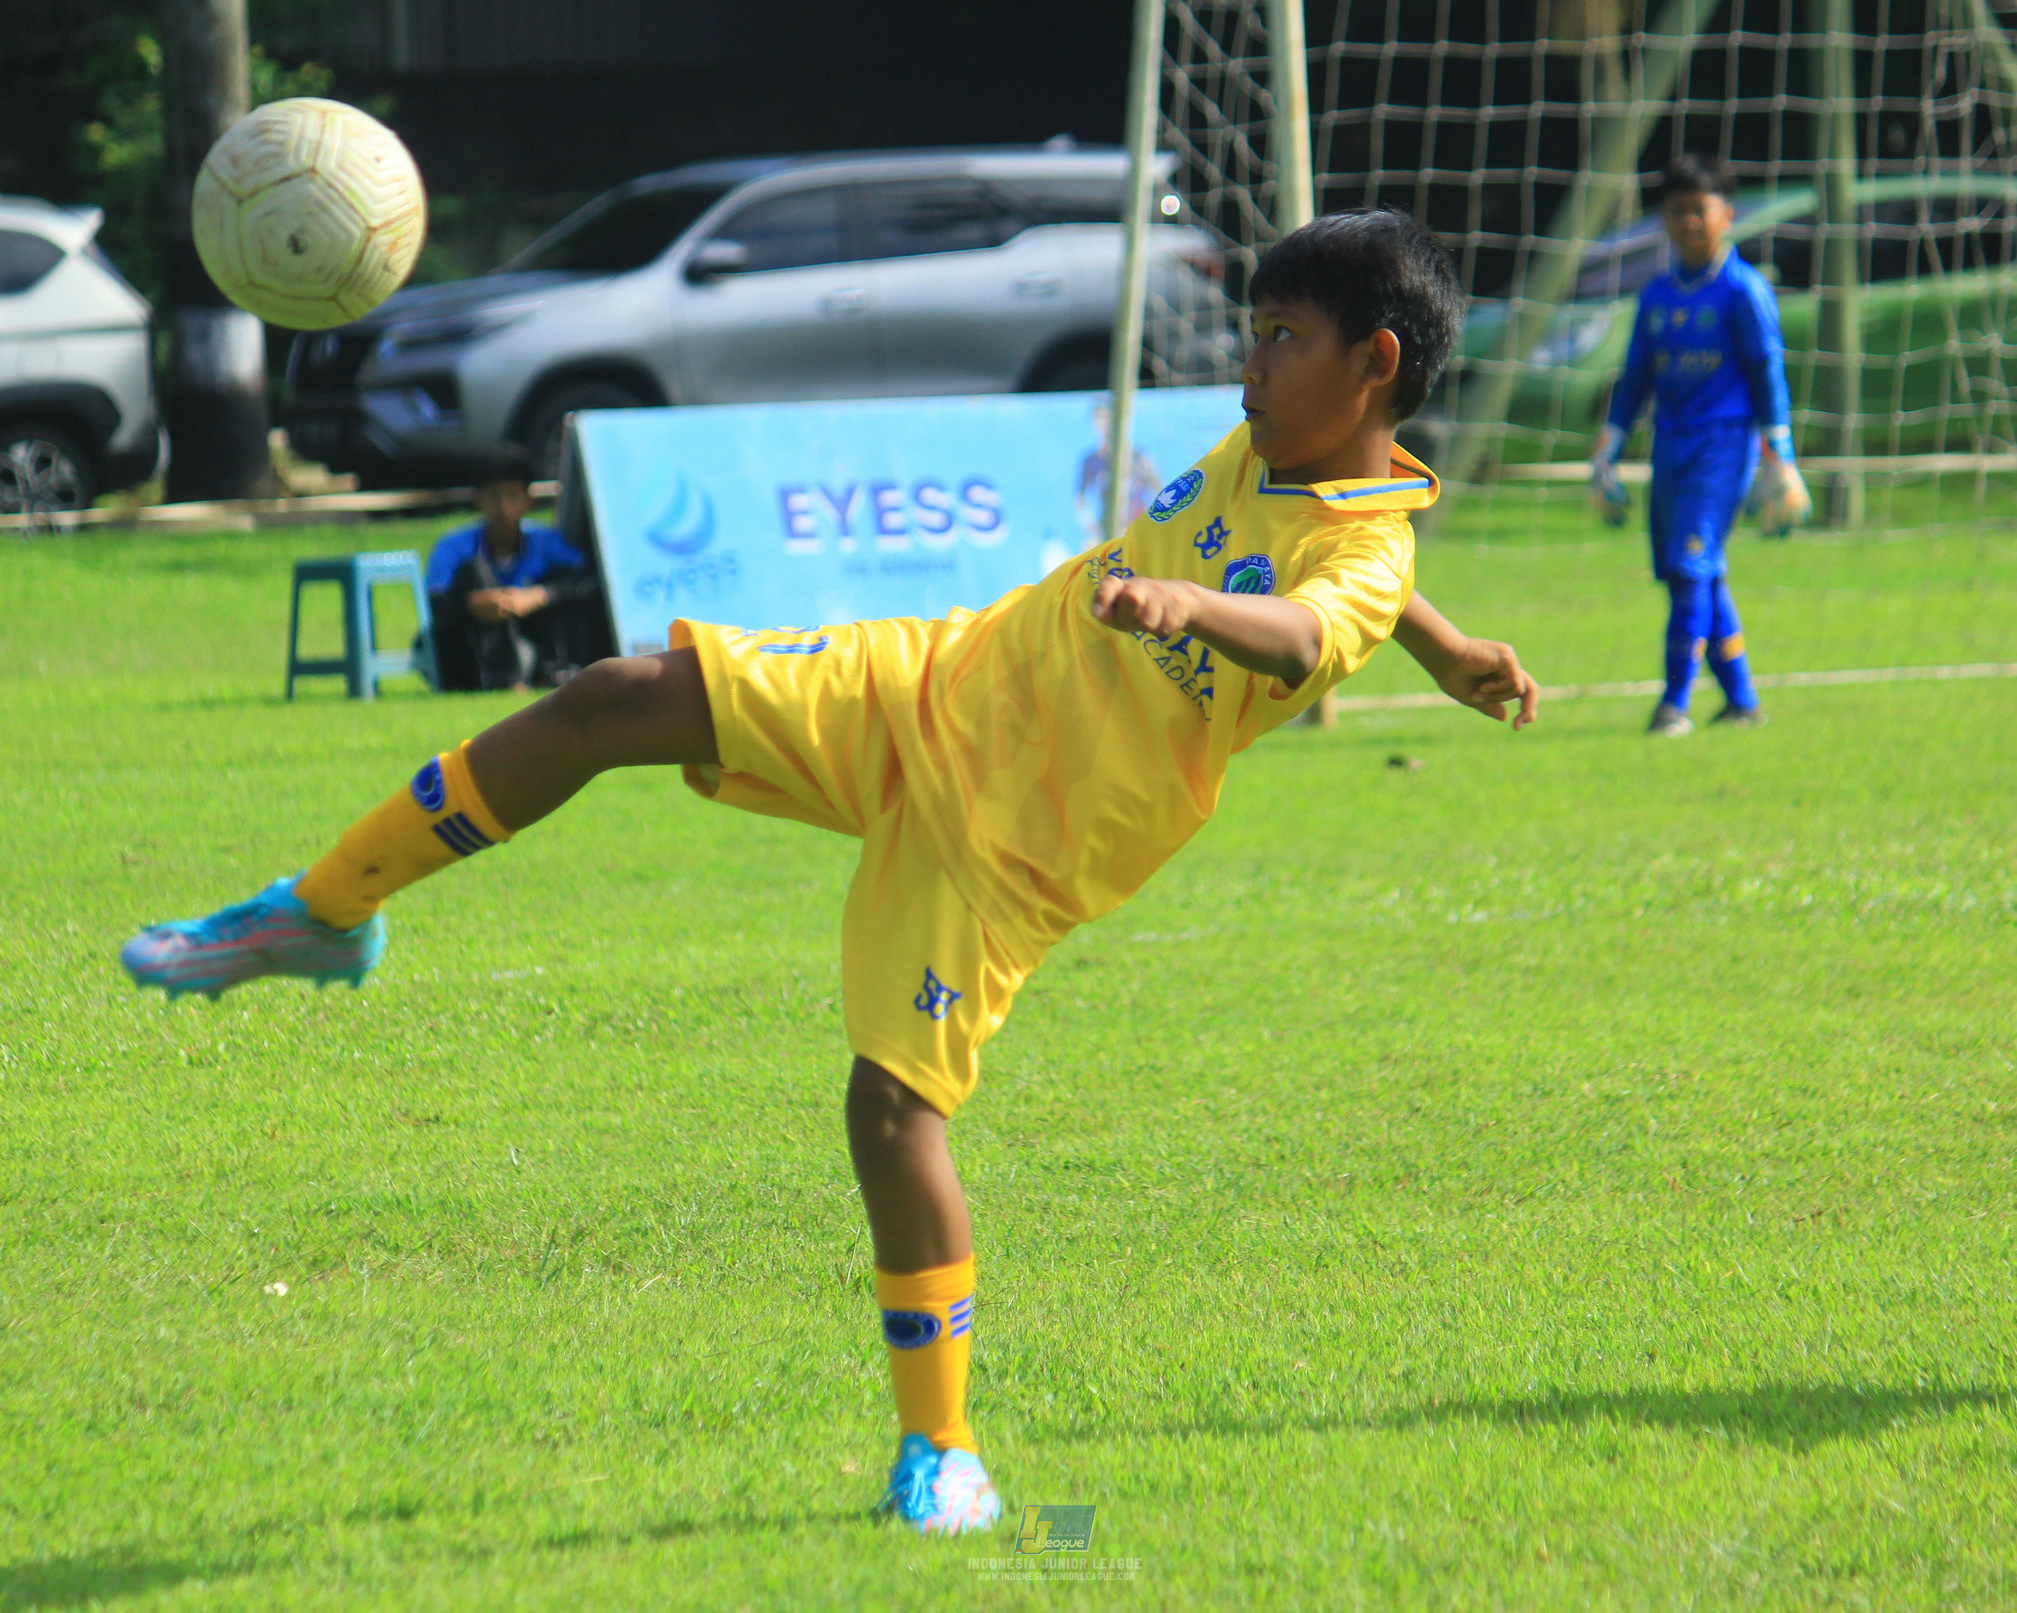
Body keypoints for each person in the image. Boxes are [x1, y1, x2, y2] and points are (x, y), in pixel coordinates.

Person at [119, 209, 1541, 1536]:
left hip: (1016, 838)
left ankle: (943, 1448)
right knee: (616, 693)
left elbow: (1306, 624)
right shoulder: (1280, 453)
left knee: (888, 1111)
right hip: (931, 682)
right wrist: (1446, 642)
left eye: (1279, 338)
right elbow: (1355, 559)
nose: (1246, 363)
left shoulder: (1350, 556)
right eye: (1251, 329)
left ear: (1375, 365)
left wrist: (1179, 599)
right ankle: (322, 911)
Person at [1590, 152, 1810, 737]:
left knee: (1691, 569)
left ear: (1727, 215)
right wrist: (1607, 450)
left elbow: (1769, 377)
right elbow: (1635, 378)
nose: (1689, 222)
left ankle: (1673, 705)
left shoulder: (1743, 292)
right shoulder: (1658, 297)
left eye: (1700, 210)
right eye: (1677, 211)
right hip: (1671, 447)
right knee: (1697, 575)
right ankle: (1742, 701)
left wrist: (1780, 457)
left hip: (1725, 443)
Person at [424, 448, 606, 691]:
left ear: (528, 501)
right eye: (494, 497)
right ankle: (503, 680)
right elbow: (435, 599)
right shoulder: (454, 546)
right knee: (473, 572)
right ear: (478, 500)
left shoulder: (546, 542)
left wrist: (539, 595)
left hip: (533, 633)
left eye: (512, 496)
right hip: (476, 644)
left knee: (564, 589)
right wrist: (470, 603)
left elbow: (588, 580)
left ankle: (552, 673)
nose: (503, 507)